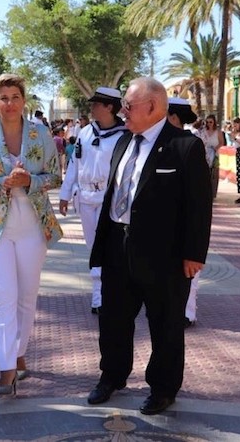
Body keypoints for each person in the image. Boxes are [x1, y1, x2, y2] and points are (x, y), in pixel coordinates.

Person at [85, 77, 212, 416]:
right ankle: (111, 376)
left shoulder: (185, 146)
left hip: (165, 257)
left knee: (165, 324)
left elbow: (199, 206)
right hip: (117, 246)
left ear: (153, 107)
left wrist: (194, 255)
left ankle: (163, 388)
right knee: (113, 319)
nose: (122, 111)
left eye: (129, 105)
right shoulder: (124, 142)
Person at [0, 73, 63, 396]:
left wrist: (29, 182)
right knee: (1, 296)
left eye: (15, 97)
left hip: (33, 225)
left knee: (26, 296)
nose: (9, 103)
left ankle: (19, 352)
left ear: (24, 101)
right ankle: (6, 369)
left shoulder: (40, 133)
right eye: (3, 98)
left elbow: (55, 176)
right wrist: (2, 183)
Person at [58, 87, 126, 315]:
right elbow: (74, 165)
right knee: (93, 247)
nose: (92, 107)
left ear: (109, 107)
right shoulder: (86, 132)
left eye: (97, 104)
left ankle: (107, 293)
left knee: (110, 247)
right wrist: (65, 194)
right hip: (86, 197)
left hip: (111, 199)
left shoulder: (125, 135)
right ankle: (98, 295)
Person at [166, 98, 202, 329]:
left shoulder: (191, 144)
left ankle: (187, 313)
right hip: (165, 219)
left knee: (190, 271)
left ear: (175, 118)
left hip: (186, 216)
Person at [199, 114, 224, 200]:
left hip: (215, 153)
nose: (209, 124)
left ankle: (212, 193)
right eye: (207, 122)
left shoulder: (218, 132)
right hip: (205, 153)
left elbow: (221, 142)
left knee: (214, 174)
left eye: (211, 122)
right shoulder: (203, 131)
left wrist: (216, 148)